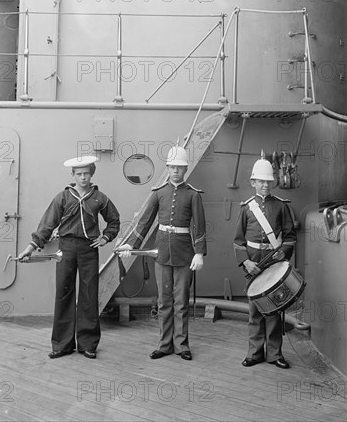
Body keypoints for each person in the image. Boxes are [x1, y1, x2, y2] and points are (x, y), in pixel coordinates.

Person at [17, 156, 120, 360]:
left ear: (92, 174)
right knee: (63, 294)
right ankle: (62, 345)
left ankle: (88, 344)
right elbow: (47, 225)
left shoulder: (100, 197)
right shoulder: (62, 197)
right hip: (66, 249)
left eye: (86, 174)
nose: (83, 178)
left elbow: (114, 221)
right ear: (72, 175)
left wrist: (106, 237)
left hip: (89, 249)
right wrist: (30, 247)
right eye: (79, 174)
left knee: (89, 295)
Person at [117, 145, 206, 361]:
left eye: (180, 167)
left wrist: (199, 253)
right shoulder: (159, 193)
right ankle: (165, 344)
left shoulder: (193, 195)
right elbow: (145, 221)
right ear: (167, 167)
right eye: (173, 167)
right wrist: (131, 244)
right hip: (163, 254)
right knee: (164, 301)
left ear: (185, 169)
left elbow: (200, 226)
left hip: (185, 254)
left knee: (181, 301)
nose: (176, 171)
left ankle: (181, 345)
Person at [233, 157, 296, 369]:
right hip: (254, 265)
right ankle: (254, 353)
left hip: (274, 265)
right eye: (261, 181)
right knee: (255, 311)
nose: (265, 185)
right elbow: (239, 242)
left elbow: (290, 237)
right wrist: (245, 263)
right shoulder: (246, 208)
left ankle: (275, 354)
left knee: (274, 311)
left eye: (268, 181)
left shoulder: (281, 206)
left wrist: (283, 253)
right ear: (253, 182)